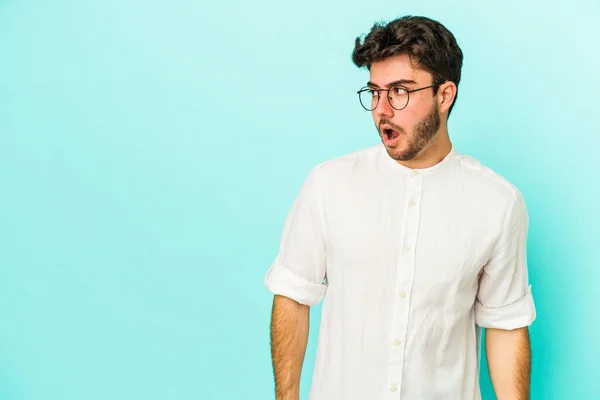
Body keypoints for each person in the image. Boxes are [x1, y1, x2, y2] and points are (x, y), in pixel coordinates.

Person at [264, 15, 536, 400]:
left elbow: (506, 325)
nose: (382, 110)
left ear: (444, 96)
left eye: (400, 91)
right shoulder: (328, 185)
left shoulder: (498, 203)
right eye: (375, 92)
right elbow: (292, 295)